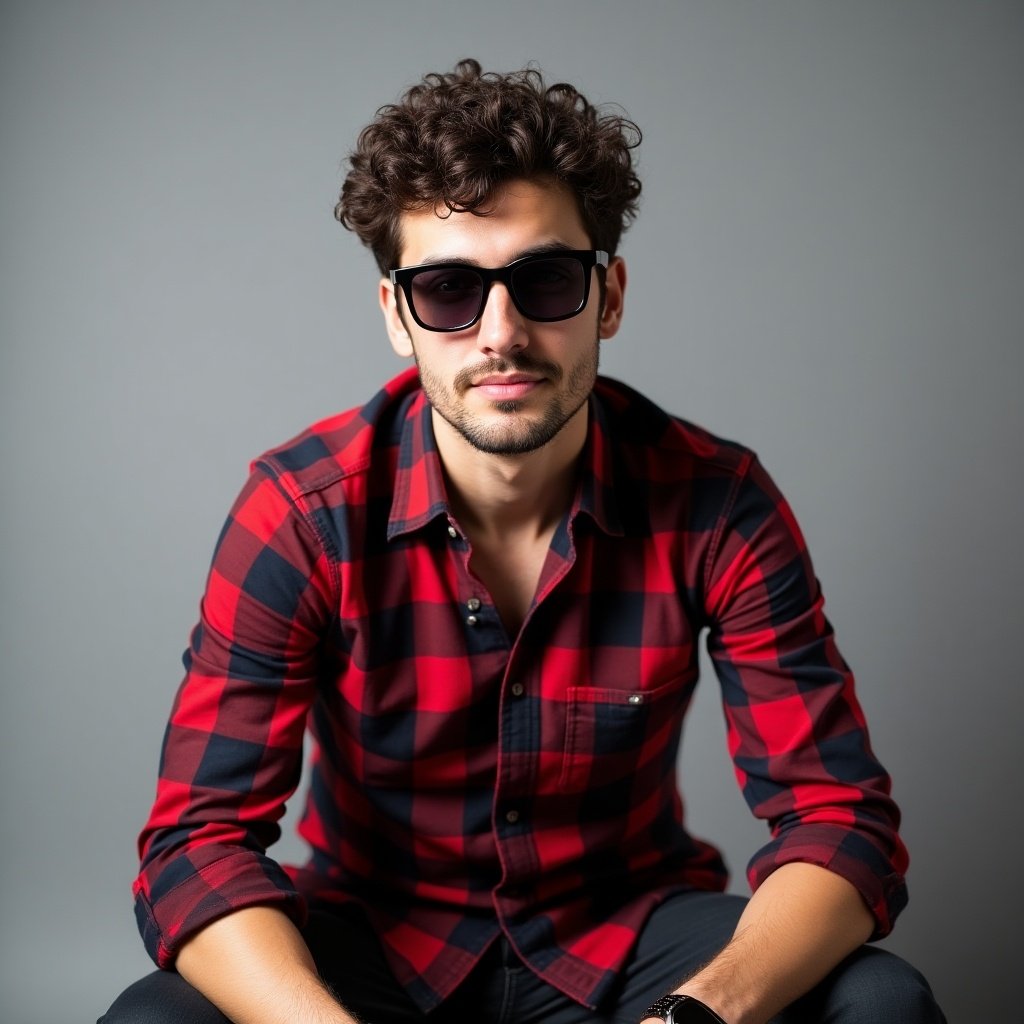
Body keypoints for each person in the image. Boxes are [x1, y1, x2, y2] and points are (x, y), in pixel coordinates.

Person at [100, 60, 945, 1024]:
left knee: (880, 1001)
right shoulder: (300, 510)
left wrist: (701, 1015)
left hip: (626, 939)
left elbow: (838, 820)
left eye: (544, 280)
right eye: (450, 291)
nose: (500, 333)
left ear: (609, 296)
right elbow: (197, 842)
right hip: (373, 941)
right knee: (156, 1020)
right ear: (397, 317)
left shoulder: (718, 503)